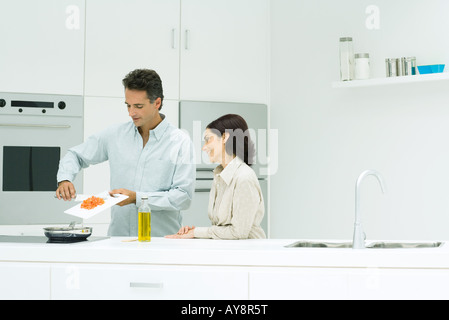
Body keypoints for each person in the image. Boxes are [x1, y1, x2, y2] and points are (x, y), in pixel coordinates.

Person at [56, 69, 196, 237]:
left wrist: (137, 198)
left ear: (157, 103)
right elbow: (76, 155)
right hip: (118, 239)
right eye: (128, 105)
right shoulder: (115, 135)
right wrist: (64, 179)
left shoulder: (180, 142)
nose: (131, 113)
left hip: (162, 242)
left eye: (138, 106)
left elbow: (183, 197)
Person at [166, 114, 266, 240]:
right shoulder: (220, 176)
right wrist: (194, 232)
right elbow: (221, 229)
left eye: (208, 139)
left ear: (225, 137)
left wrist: (197, 232)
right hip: (228, 252)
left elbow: (238, 233)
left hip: (248, 254)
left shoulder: (244, 178)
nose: (204, 147)